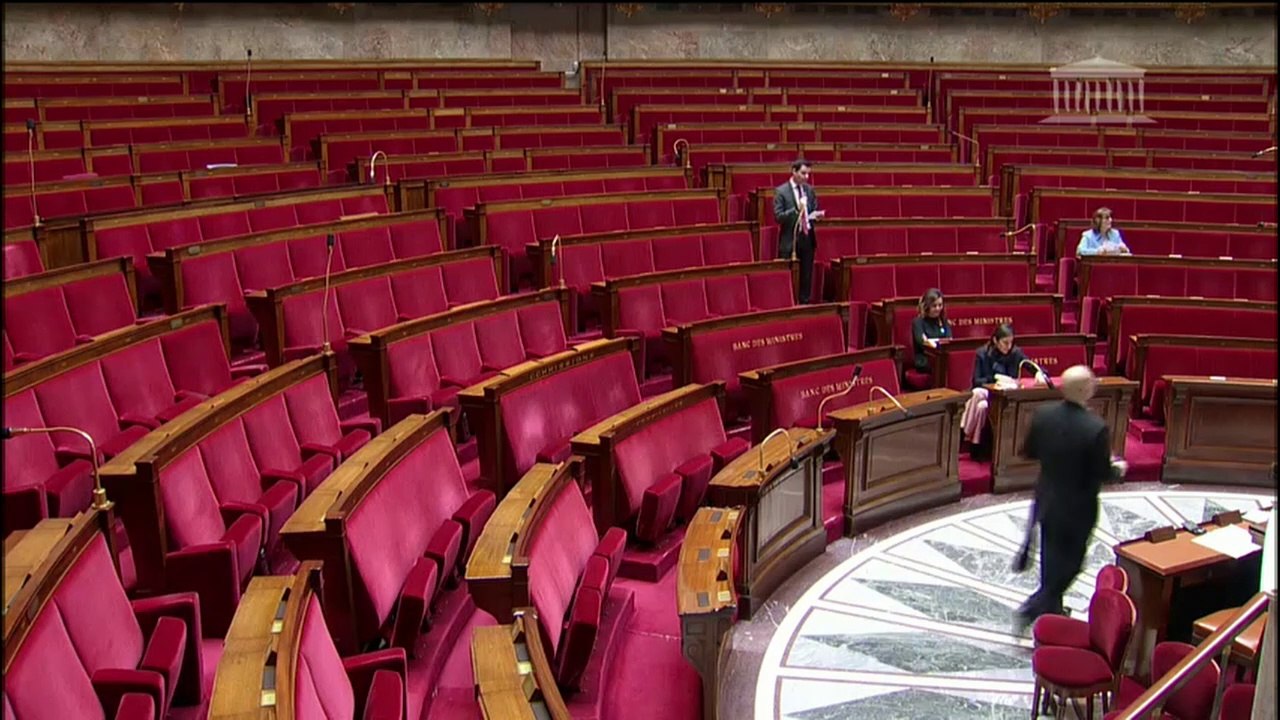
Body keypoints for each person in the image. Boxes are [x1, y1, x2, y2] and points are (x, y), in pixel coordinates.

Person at [1013, 365, 1121, 634]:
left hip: (1047, 499)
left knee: (1051, 558)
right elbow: (1102, 472)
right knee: (1072, 563)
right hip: (1078, 507)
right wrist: (1119, 469)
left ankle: (1052, 610)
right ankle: (1034, 607)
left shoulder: (1043, 416)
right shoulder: (1095, 428)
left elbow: (1028, 451)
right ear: (1085, 390)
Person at [960, 324, 1045, 455]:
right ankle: (970, 437)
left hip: (1005, 397)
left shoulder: (1015, 353)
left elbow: (1029, 365)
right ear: (995, 340)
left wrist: (1038, 373)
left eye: (1011, 342)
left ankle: (965, 433)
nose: (1008, 346)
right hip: (986, 391)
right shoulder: (982, 353)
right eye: (1005, 343)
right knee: (977, 394)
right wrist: (995, 379)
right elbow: (977, 381)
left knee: (982, 406)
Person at [773, 159, 825, 304]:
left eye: (808, 174)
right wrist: (795, 211)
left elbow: (813, 208)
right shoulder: (781, 191)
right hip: (791, 240)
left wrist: (815, 215)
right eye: (803, 173)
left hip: (807, 238)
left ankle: (804, 304)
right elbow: (778, 217)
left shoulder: (809, 190)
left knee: (806, 276)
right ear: (794, 171)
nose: (806, 177)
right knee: (789, 277)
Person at [909, 288, 952, 375]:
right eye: (934, 306)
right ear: (927, 306)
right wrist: (935, 342)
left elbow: (949, 339)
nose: (938, 308)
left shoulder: (944, 321)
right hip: (925, 360)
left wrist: (930, 340)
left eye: (940, 305)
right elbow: (922, 343)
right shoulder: (918, 322)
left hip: (942, 357)